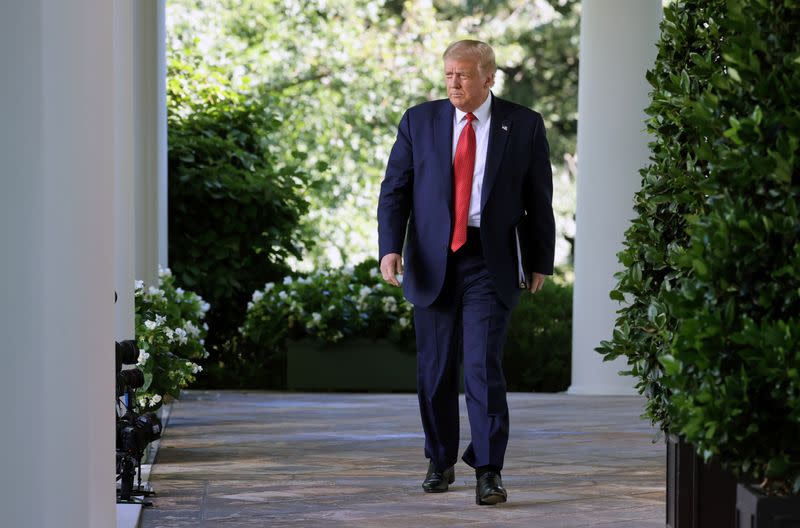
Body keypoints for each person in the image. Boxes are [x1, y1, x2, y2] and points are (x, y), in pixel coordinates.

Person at [376, 39, 555, 505]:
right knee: (435, 373)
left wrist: (539, 260)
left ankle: (489, 471)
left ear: (488, 77)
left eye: (464, 75)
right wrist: (389, 249)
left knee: (481, 368)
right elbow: (395, 190)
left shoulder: (524, 125)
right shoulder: (420, 121)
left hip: (489, 261)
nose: (453, 82)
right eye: (449, 74)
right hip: (434, 261)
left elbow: (540, 199)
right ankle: (440, 460)